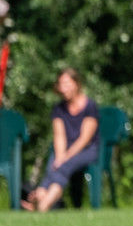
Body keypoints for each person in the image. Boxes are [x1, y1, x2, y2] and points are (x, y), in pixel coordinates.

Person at [21, 68, 99, 212]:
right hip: (64, 150)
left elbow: (85, 139)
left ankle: (43, 203)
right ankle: (42, 196)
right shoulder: (58, 109)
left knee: (61, 167)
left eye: (67, 83)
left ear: (76, 84)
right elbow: (59, 136)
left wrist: (65, 158)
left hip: (87, 150)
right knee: (54, 163)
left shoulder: (90, 106)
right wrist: (60, 155)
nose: (64, 88)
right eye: (61, 84)